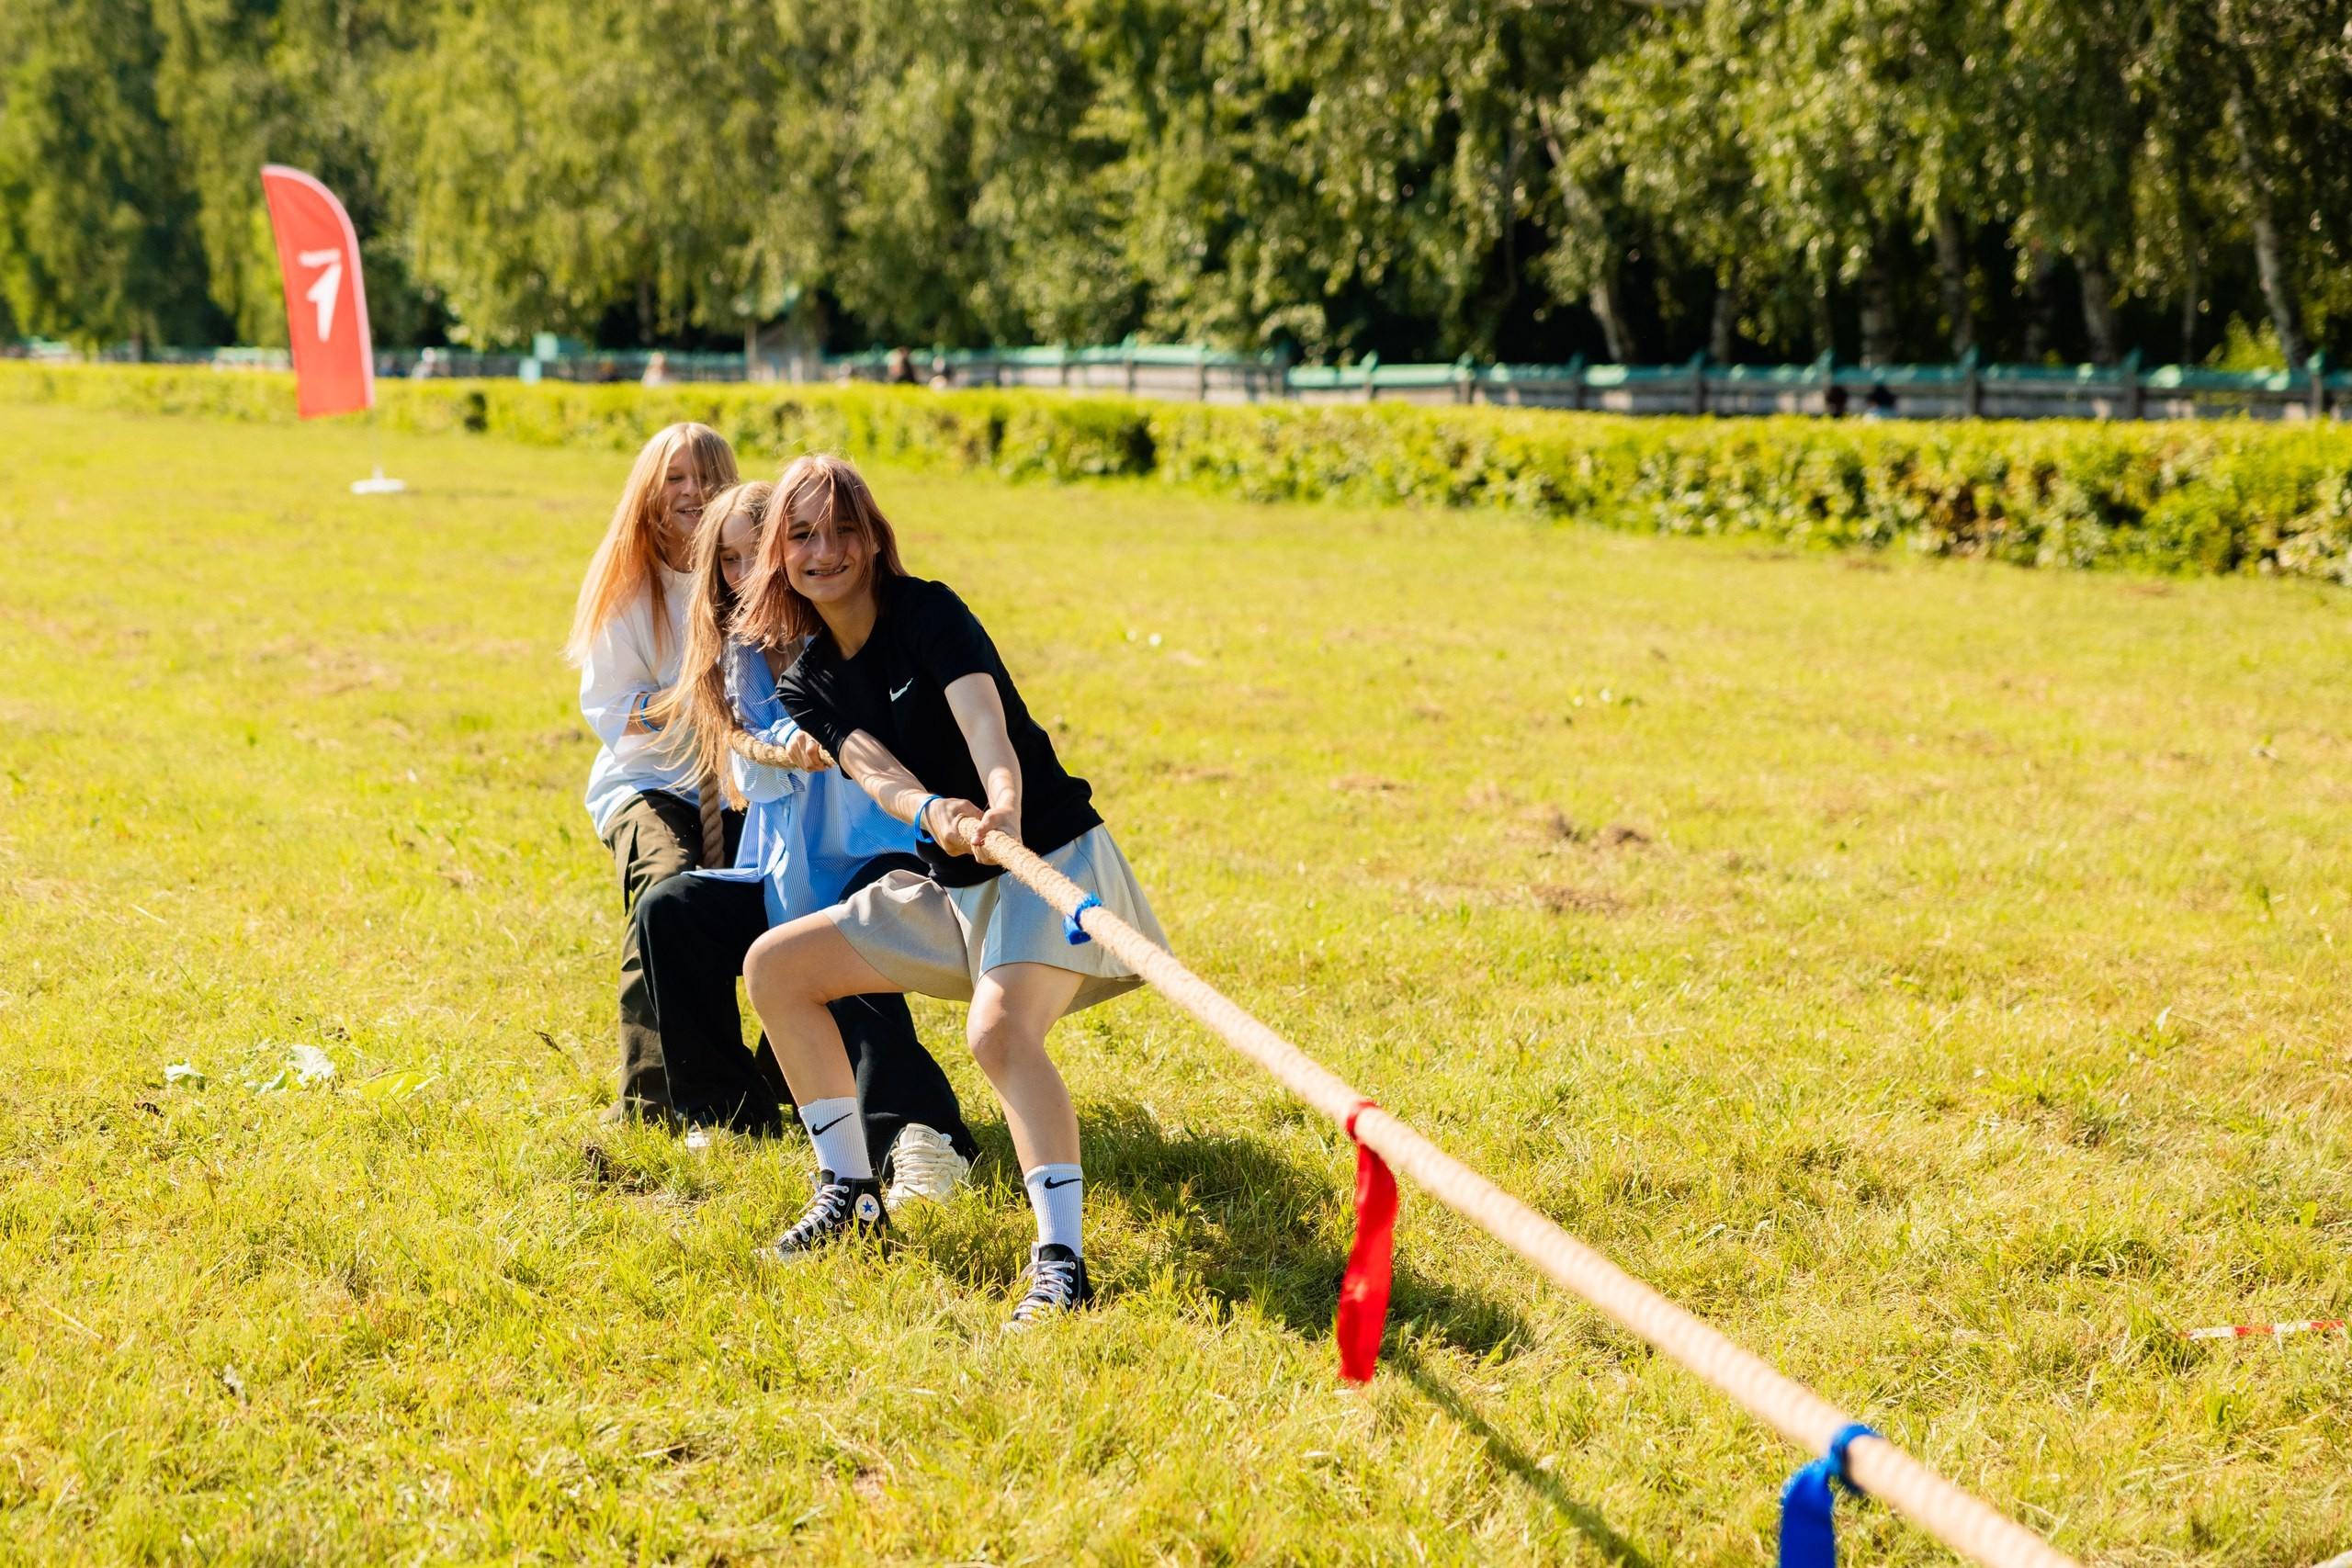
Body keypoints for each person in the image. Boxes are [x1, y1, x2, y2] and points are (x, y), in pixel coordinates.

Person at [738, 455, 1167, 1325]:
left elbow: (986, 723)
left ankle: (1063, 1265)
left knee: (999, 1030)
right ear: (779, 553)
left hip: (1052, 863)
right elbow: (878, 772)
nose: (826, 550)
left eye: (842, 528)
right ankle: (851, 1193)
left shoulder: (928, 611)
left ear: (872, 536)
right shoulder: (805, 679)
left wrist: (1000, 805)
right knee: (776, 969)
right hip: (950, 884)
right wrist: (933, 809)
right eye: (803, 534)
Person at [633, 480, 978, 1201]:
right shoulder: (737, 656)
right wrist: (780, 746)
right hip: (785, 872)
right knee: (672, 910)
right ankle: (728, 1110)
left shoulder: (841, 627)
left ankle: (922, 1134)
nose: (737, 575)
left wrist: (805, 740)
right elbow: (750, 753)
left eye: (750, 555)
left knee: (847, 943)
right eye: (724, 562)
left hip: (872, 856)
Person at [569, 421, 739, 1123]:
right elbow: (612, 709)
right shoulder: (626, 589)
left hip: (742, 779)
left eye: (707, 476)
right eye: (676, 477)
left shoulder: (745, 573)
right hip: (649, 781)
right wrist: (690, 698)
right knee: (665, 890)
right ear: (649, 492)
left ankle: (777, 1080)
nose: (693, 491)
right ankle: (650, 1095)